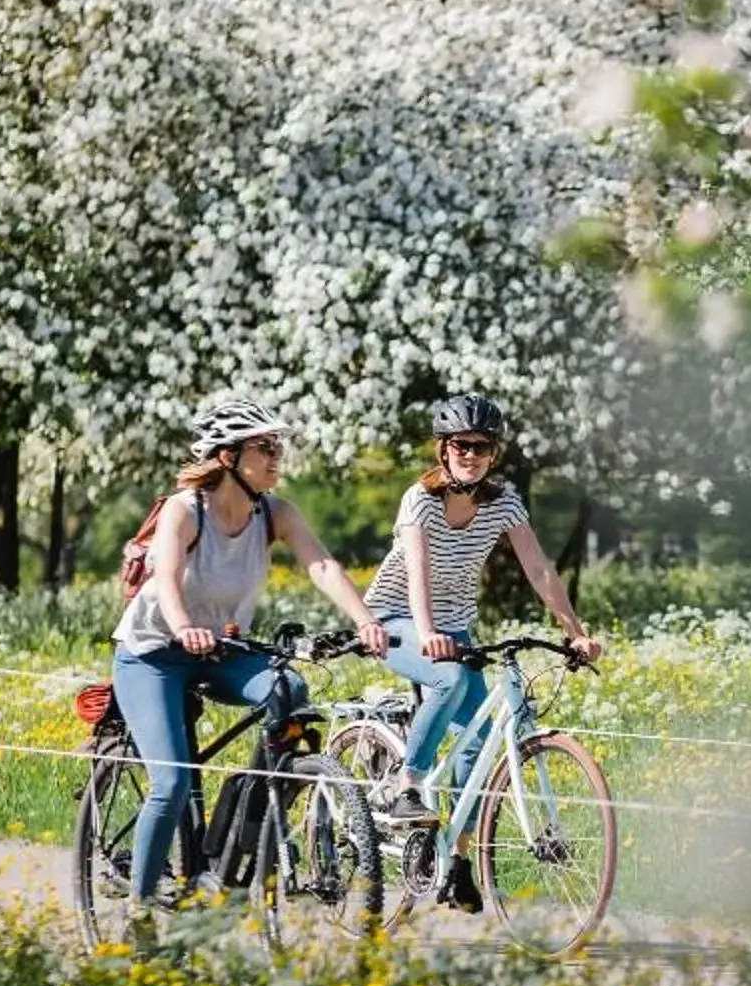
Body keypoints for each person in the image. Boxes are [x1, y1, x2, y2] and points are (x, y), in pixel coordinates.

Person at [110, 396, 387, 924]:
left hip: (217, 649)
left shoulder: (274, 512)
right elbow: (166, 576)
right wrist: (183, 626)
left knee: (290, 693)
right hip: (152, 655)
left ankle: (240, 833)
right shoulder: (184, 509)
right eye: (265, 446)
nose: (277, 455)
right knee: (170, 783)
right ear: (227, 457)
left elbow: (321, 564)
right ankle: (140, 911)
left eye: (278, 445)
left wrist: (364, 619)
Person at [367, 392, 601, 908]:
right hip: (395, 619)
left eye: (482, 447)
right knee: (447, 681)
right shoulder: (419, 500)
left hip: (454, 630)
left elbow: (539, 568)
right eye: (461, 445)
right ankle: (407, 785)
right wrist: (428, 633)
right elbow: (418, 574)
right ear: (443, 449)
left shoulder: (504, 501)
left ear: (494, 454)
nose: (471, 455)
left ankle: (457, 861)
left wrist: (575, 632)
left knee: (482, 737)